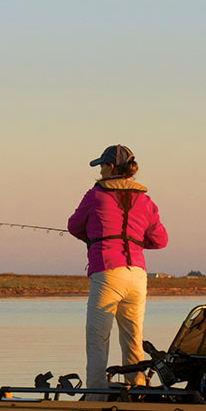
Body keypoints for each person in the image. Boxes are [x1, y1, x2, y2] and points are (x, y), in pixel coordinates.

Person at [67, 145, 169, 391]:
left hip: (108, 273)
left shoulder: (96, 195)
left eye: (102, 165)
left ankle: (95, 398)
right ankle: (137, 393)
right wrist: (133, 241)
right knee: (133, 339)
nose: (100, 170)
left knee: (97, 338)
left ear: (111, 167)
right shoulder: (145, 199)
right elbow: (160, 240)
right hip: (137, 275)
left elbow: (74, 226)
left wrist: (98, 238)